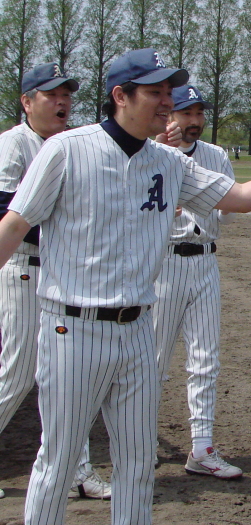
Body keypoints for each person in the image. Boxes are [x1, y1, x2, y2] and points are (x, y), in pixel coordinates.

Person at [0, 48, 251, 525]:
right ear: (121, 96)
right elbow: (14, 225)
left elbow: (239, 196)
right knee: (59, 460)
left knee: (136, 462)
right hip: (72, 330)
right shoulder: (66, 150)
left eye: (169, 91)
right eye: (156, 92)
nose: (167, 102)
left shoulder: (169, 163)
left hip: (137, 332)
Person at [0, 63, 111, 501]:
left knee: (67, 373)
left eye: (66, 94)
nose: (62, 102)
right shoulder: (14, 144)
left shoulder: (71, 143)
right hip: (24, 267)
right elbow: (6, 213)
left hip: (62, 271)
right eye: (51, 94)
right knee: (18, 374)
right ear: (27, 102)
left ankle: (77, 471)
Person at [152, 84, 240, 478]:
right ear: (169, 116)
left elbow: (229, 210)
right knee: (153, 361)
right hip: (164, 264)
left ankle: (201, 448)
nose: (195, 121)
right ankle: (139, 439)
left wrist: (217, 208)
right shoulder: (152, 152)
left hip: (205, 261)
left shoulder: (215, 155)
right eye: (187, 113)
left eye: (199, 113)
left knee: (206, 359)